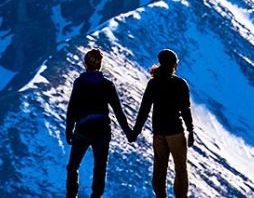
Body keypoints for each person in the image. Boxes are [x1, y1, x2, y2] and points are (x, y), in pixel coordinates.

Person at [65, 48, 133, 198]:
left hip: (83, 129)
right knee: (100, 166)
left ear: (85, 64)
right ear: (100, 64)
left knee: (73, 166)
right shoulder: (107, 84)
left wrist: (69, 131)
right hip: (102, 130)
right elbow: (118, 111)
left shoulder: (80, 83)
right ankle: (96, 196)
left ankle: (71, 195)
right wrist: (128, 132)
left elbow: (72, 109)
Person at [129, 49, 195, 198]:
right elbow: (185, 109)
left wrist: (136, 131)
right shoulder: (180, 84)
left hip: (159, 133)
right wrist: (190, 130)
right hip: (176, 133)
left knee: (159, 168)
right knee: (180, 169)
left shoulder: (153, 83)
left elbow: (144, 109)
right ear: (173, 64)